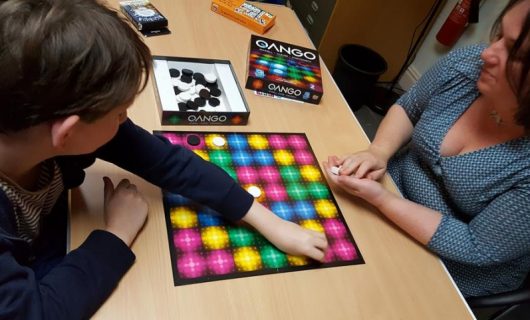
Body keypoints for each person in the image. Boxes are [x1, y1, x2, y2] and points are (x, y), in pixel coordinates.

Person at [0, 0, 328, 318]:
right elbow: (36, 311)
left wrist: (268, 221)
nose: (125, 119)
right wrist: (118, 232)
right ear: (67, 132)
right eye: (119, 113)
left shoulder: (45, 119)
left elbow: (167, 162)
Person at [324, 0, 530, 298]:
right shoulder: (470, 65)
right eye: (498, 37)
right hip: (393, 188)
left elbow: (477, 245)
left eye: (516, 53)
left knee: (359, 295)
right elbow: (409, 106)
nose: (487, 53)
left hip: (458, 260)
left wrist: (383, 202)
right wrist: (378, 152)